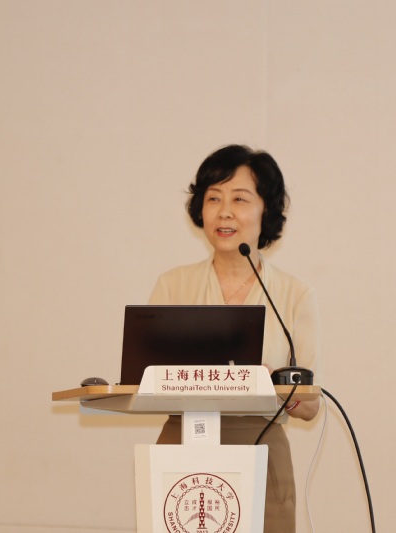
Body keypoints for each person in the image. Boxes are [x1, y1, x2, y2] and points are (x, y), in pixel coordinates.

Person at [148, 144, 321, 532]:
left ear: (266, 210)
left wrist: (273, 385)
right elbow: (145, 380)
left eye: (239, 199)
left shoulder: (294, 294)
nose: (224, 211)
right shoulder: (172, 285)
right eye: (213, 198)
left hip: (261, 447)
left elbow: (311, 408)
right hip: (183, 446)